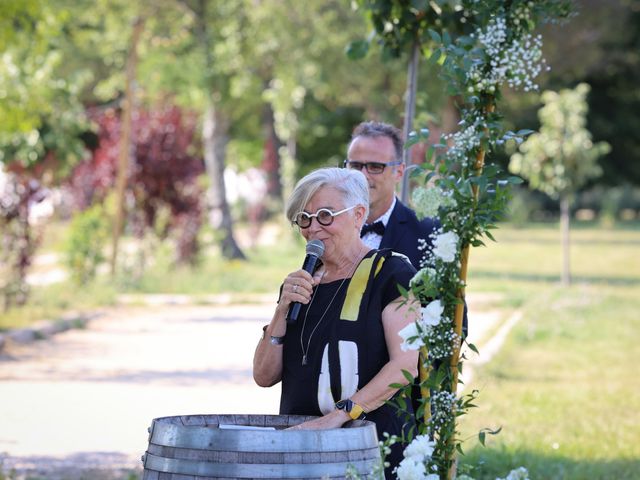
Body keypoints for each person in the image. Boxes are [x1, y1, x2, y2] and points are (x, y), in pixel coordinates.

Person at [253, 167, 420, 478]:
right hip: (302, 454)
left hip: (370, 450)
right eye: (304, 218)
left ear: (358, 215)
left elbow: (406, 365)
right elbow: (263, 376)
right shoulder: (299, 284)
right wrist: (281, 310)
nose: (313, 227)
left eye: (326, 215)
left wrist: (338, 416)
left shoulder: (393, 274)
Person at [345, 121, 439, 268]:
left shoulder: (428, 234)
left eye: (375, 167)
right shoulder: (330, 225)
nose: (362, 176)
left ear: (399, 172)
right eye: (355, 166)